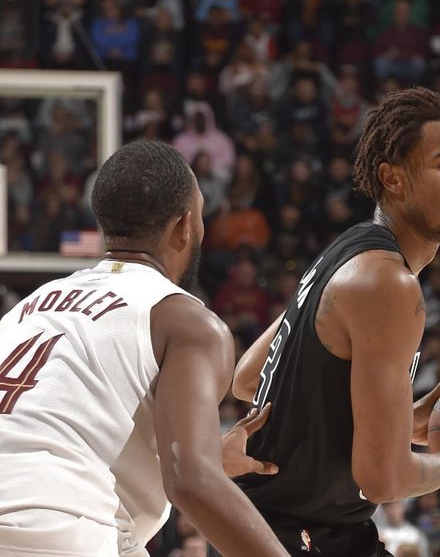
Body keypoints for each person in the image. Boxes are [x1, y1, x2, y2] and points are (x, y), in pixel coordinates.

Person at [232, 88, 440, 555]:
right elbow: (384, 481)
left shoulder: (347, 251)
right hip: (293, 536)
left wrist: (393, 421)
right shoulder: (389, 285)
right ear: (392, 178)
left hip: (283, 526)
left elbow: (250, 380)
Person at [0, 141, 287, 557]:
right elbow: (190, 482)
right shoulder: (186, 320)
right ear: (186, 225)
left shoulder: (29, 305)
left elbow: (52, 427)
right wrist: (201, 466)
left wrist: (206, 451)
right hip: (53, 527)